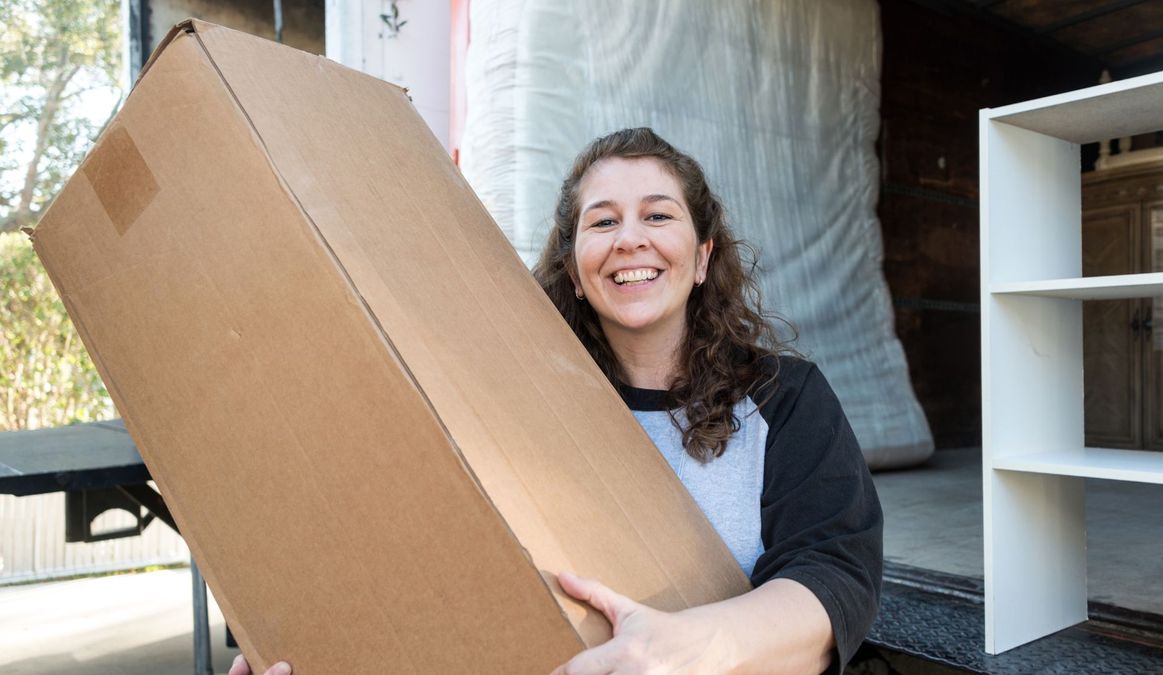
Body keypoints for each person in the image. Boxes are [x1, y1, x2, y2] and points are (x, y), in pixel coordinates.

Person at [232, 128, 882, 675]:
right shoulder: (515, 408)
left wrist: (680, 649)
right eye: (603, 222)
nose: (630, 239)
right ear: (574, 268)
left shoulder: (786, 399)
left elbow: (834, 582)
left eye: (658, 214)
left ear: (704, 255)